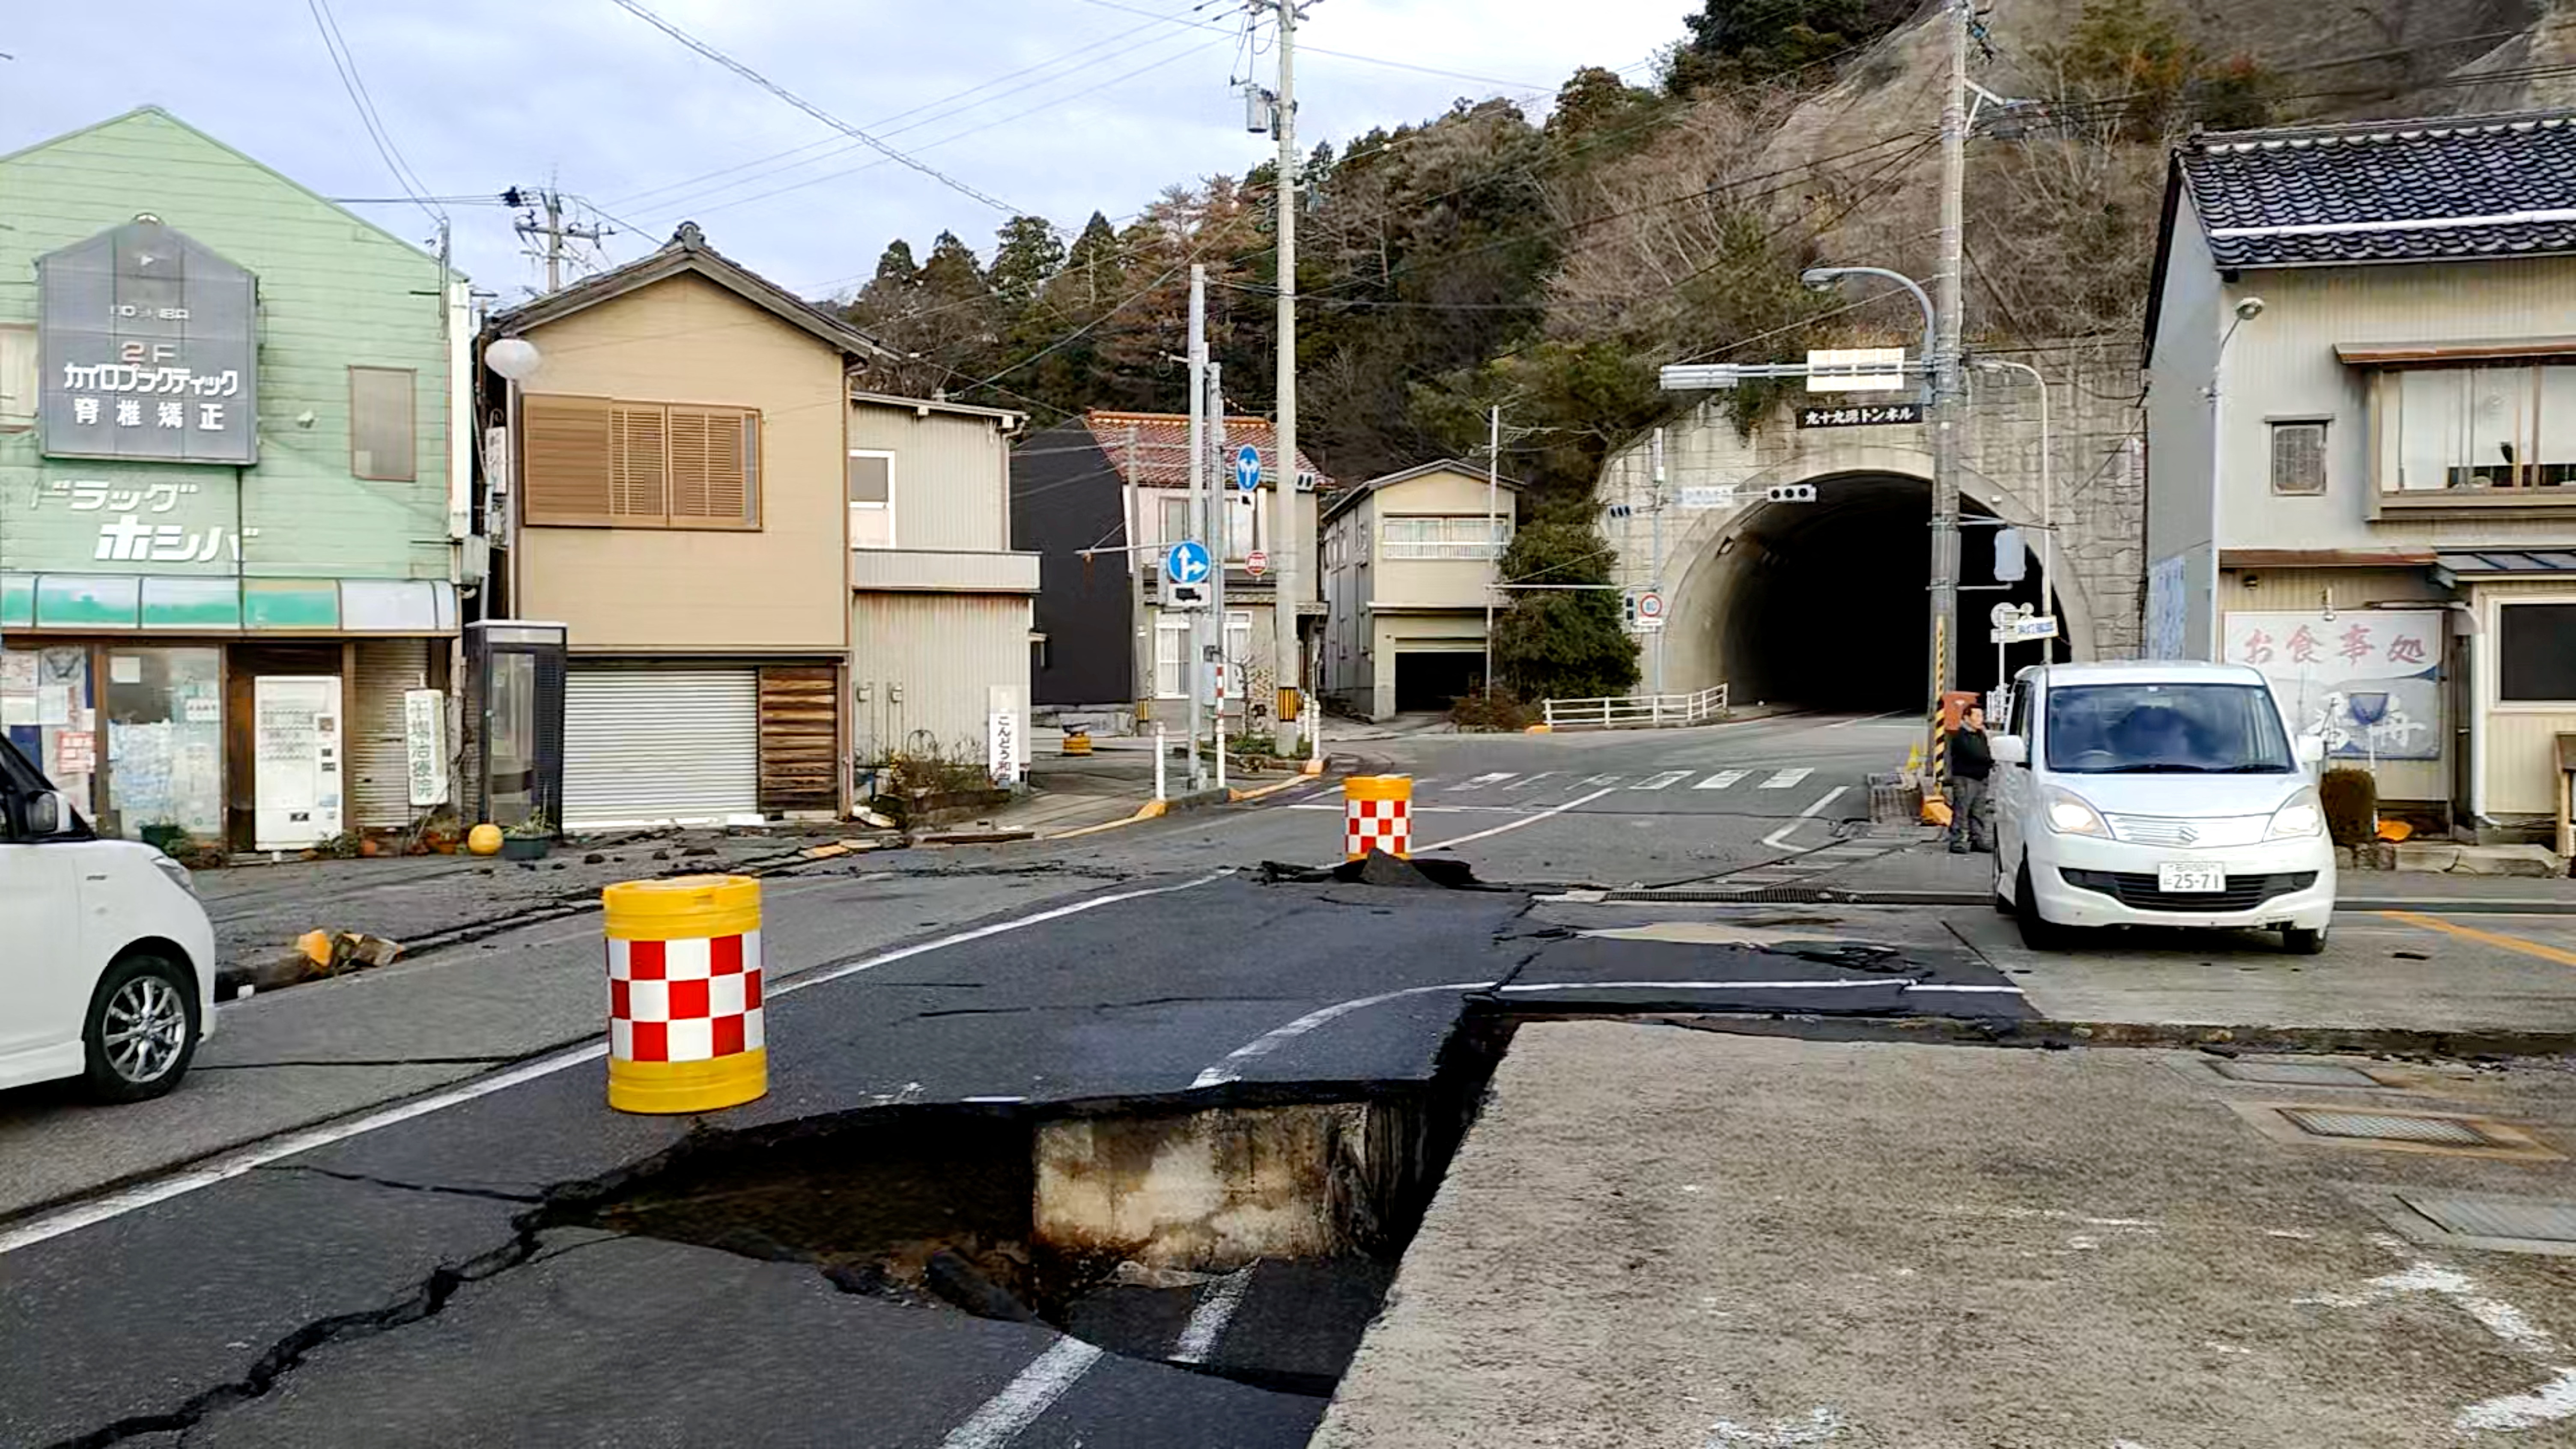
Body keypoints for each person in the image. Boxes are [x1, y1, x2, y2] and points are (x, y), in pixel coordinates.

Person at [1947, 705, 1993, 854]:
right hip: (1966, 778)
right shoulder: (1961, 736)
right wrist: (1991, 759)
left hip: (1981, 777)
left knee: (1979, 811)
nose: (1981, 720)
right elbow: (1975, 754)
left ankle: (1977, 839)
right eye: (1978, 716)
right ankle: (1957, 840)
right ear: (1967, 718)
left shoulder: (1980, 735)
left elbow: (1986, 751)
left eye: (1982, 716)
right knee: (1962, 810)